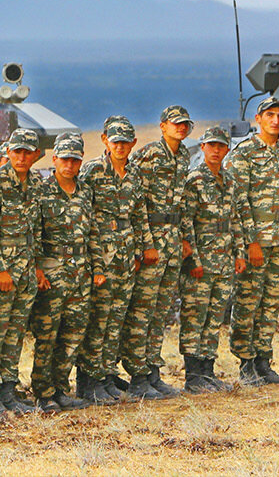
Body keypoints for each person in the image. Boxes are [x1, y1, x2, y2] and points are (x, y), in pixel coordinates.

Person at [226, 97, 279, 385]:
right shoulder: (244, 153)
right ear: (258, 118)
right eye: (269, 115)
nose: (275, 120)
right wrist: (251, 242)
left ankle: (263, 361)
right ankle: (246, 364)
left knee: (271, 303)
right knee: (248, 301)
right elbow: (238, 200)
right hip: (257, 241)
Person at [76, 117, 148, 405]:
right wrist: (93, 263)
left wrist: (142, 250)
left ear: (133, 144)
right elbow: (84, 216)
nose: (120, 147)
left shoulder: (133, 174)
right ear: (106, 140)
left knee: (116, 319)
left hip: (126, 257)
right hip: (101, 255)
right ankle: (88, 380)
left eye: (125, 142)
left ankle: (106, 376)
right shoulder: (92, 172)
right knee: (98, 319)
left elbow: (139, 215)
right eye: (115, 141)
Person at [123, 104, 194, 398]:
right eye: (175, 123)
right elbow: (137, 203)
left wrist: (185, 238)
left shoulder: (184, 156)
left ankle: (153, 371)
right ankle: (138, 376)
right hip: (152, 241)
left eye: (185, 124)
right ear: (162, 126)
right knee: (142, 310)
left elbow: (182, 203)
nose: (181, 128)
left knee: (160, 311)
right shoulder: (149, 154)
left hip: (173, 241)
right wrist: (145, 245)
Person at [0, 128, 43, 418]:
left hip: (25, 269)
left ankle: (8, 391)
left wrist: (37, 266)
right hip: (1, 272)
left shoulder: (36, 184)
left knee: (15, 333)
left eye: (28, 152)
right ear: (8, 153)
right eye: (17, 152)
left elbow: (36, 229)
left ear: (36, 155)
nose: (22, 157)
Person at [27, 133, 92, 412]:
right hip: (52, 272)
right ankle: (43, 392)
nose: (70, 164)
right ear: (54, 160)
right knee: (47, 334)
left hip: (80, 272)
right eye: (64, 159)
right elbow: (32, 234)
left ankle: (62, 388)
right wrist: (38, 269)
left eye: (75, 160)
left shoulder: (85, 191)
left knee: (74, 332)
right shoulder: (40, 192)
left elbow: (93, 233)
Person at [178, 125, 242, 392]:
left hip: (224, 262)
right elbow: (186, 223)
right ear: (202, 147)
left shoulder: (229, 182)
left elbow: (234, 220)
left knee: (214, 317)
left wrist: (239, 254)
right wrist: (193, 261)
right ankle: (193, 376)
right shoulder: (194, 180)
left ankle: (207, 371)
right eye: (211, 145)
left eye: (221, 146)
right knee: (195, 316)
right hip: (201, 263)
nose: (216, 150)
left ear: (227, 150)